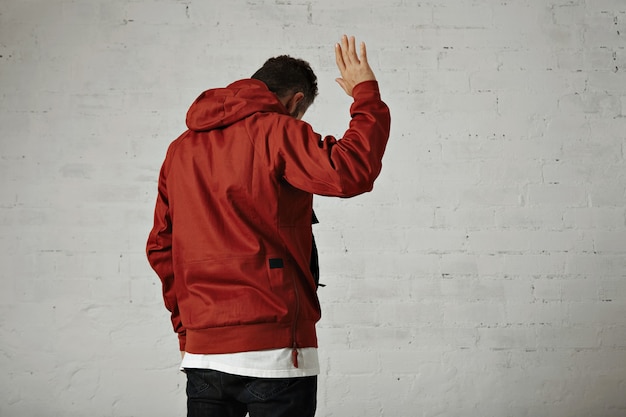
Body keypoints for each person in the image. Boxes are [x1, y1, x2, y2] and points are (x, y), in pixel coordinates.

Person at [146, 35, 391, 417]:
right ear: (295, 103)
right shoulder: (277, 131)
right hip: (275, 352)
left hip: (204, 352)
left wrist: (187, 330)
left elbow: (161, 246)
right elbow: (351, 170)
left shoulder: (180, 149)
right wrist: (365, 95)